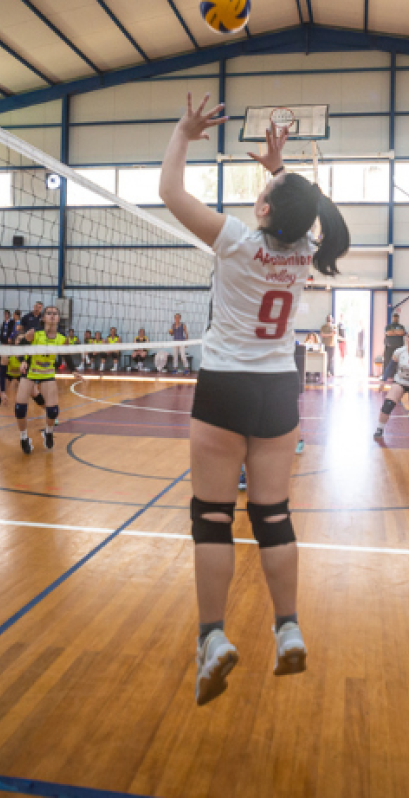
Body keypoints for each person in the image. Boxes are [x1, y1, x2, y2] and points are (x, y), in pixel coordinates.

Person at [158, 93, 349, 705]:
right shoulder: (307, 255)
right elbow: (305, 212)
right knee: (273, 519)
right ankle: (287, 625)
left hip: (225, 384)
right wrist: (277, 170)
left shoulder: (237, 240)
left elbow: (170, 192)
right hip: (278, 390)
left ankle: (212, 637)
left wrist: (184, 133)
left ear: (262, 208)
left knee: (211, 519)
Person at [16, 306, 69, 453]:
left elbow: (68, 355)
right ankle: (23, 437)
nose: (52, 316)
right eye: (49, 313)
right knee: (20, 408)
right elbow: (20, 348)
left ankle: (48, 431)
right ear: (43, 318)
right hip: (30, 373)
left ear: (58, 318)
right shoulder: (34, 333)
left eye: (55, 313)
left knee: (53, 411)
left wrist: (75, 370)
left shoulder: (62, 338)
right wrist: (22, 361)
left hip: (47, 374)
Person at [379, 312, 406, 391]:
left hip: (399, 347)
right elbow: (388, 332)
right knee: (387, 362)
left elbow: (402, 333)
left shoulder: (401, 326)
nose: (395, 319)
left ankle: (399, 377)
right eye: (394, 317)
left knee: (399, 362)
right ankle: (385, 376)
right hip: (389, 347)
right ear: (392, 318)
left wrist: (394, 332)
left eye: (397, 317)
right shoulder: (388, 326)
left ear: (398, 318)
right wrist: (396, 333)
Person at [319, 315, 336, 380]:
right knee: (324, 358)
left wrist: (327, 335)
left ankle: (329, 371)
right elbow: (322, 335)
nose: (329, 319)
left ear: (332, 319)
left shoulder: (334, 326)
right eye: (328, 318)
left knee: (330, 359)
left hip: (332, 345)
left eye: (330, 318)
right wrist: (330, 335)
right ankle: (324, 371)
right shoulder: (323, 327)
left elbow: (334, 333)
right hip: (325, 344)